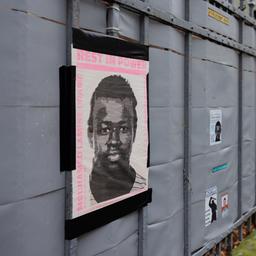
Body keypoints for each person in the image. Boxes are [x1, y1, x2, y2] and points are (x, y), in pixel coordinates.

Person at [87, 75, 146, 203]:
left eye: (123, 129)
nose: (114, 140)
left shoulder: (144, 188)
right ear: (90, 135)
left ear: (134, 133)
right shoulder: (81, 196)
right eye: (104, 129)